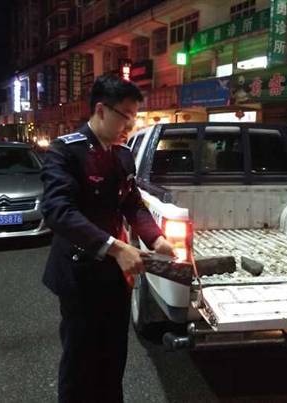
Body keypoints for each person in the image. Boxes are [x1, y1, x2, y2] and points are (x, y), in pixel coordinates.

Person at [41, 75, 175, 403]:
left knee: (113, 357)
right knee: (80, 360)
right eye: (125, 115)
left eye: (134, 117)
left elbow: (132, 203)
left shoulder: (123, 155)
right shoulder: (65, 151)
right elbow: (58, 211)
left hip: (115, 274)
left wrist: (156, 239)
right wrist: (115, 247)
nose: (130, 125)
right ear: (101, 110)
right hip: (79, 273)